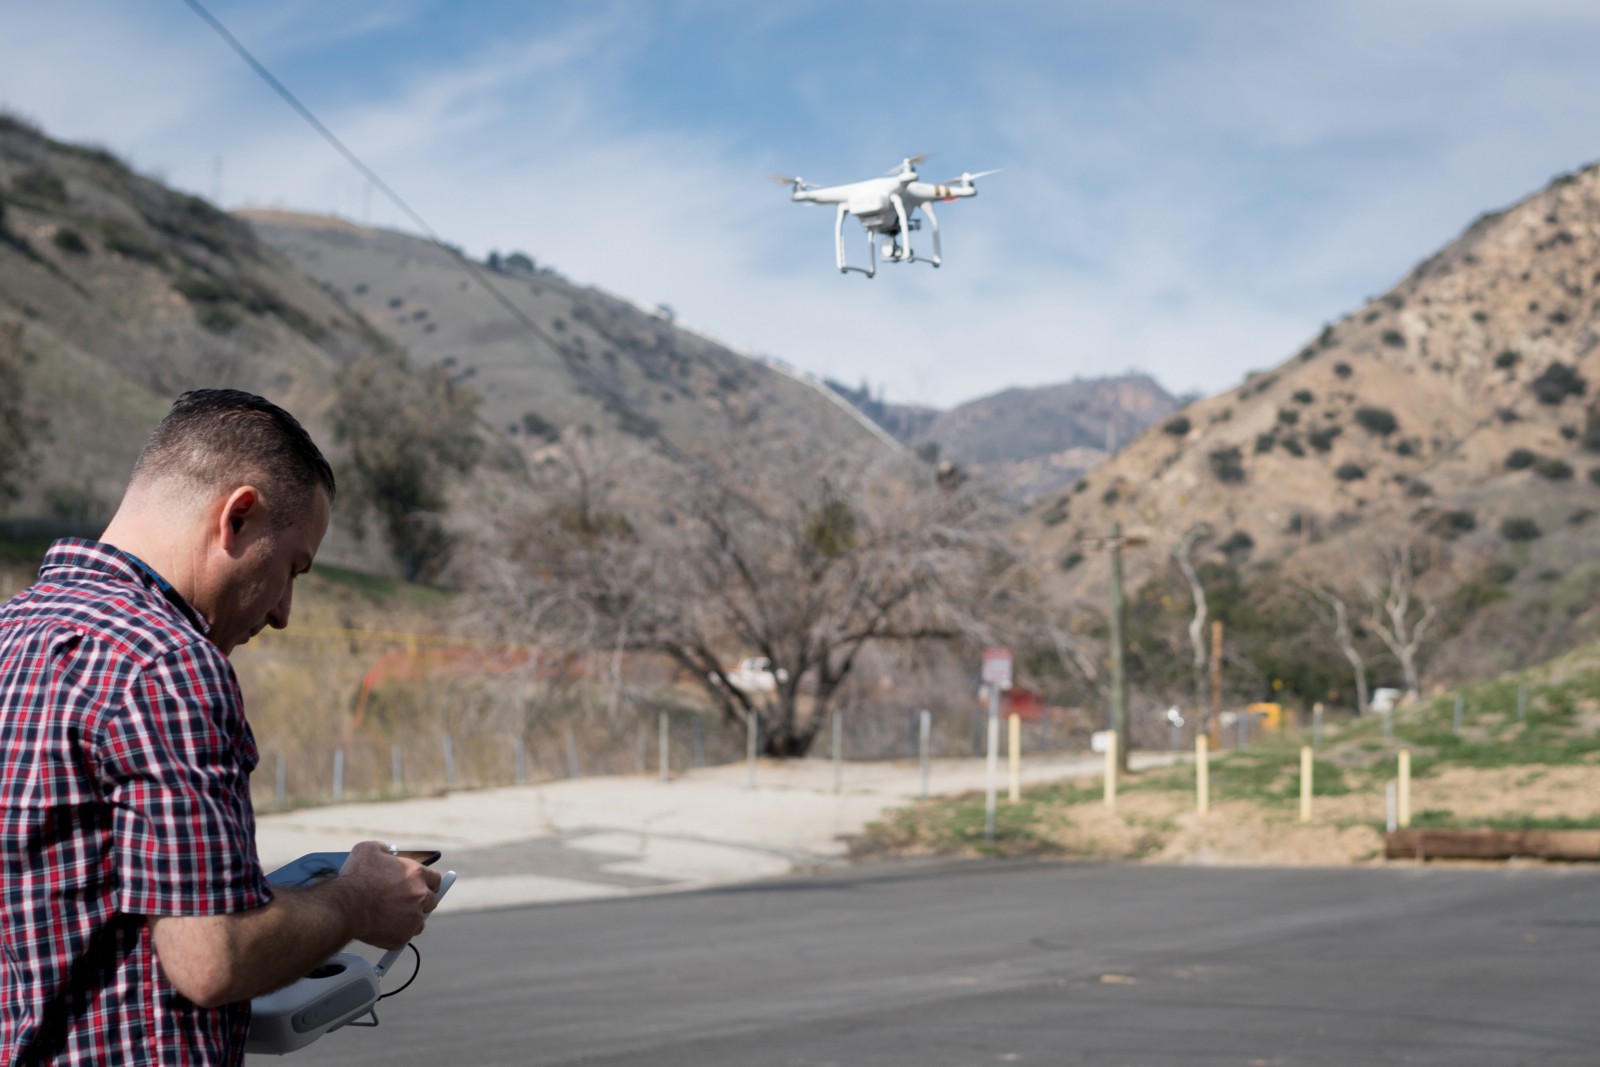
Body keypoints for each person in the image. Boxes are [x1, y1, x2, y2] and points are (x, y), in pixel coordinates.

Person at [0, 389, 442, 1065]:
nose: (284, 612)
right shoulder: (166, 662)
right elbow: (211, 958)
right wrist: (357, 901)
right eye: (292, 567)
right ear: (238, 516)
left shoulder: (12, 633)